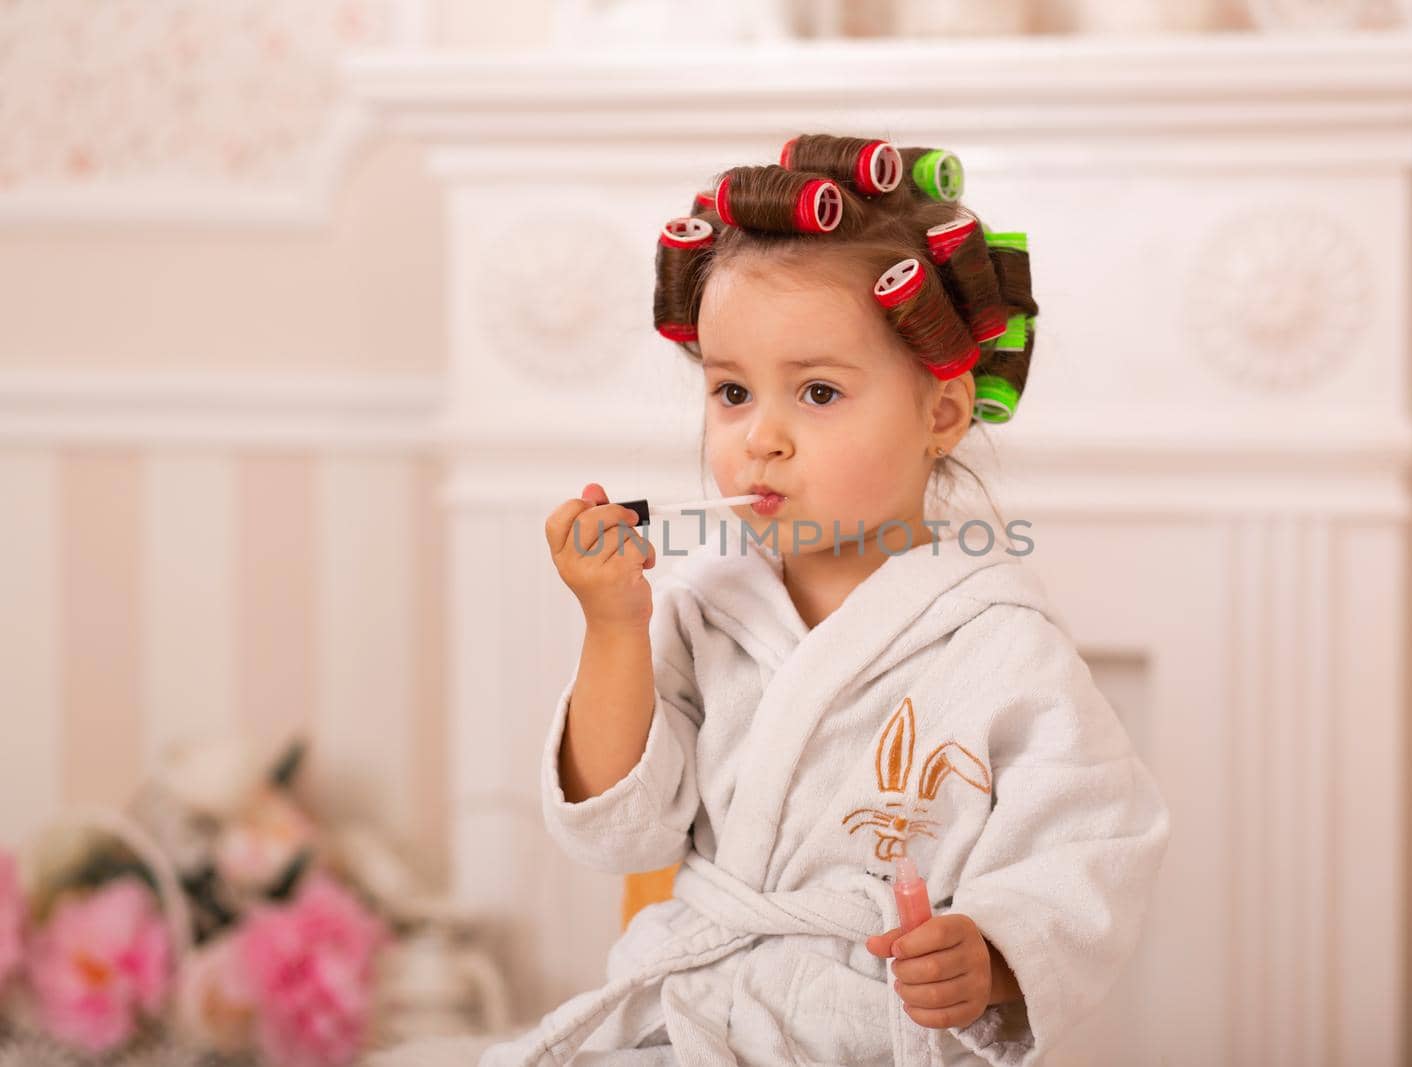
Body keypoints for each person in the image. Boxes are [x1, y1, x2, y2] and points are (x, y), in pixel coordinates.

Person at [371, 134, 1169, 1067]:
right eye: (733, 392)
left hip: (870, 1032)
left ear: (941, 415)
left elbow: (1096, 839)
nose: (762, 439)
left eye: (819, 392)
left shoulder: (1002, 648)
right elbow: (621, 827)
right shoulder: (703, 605)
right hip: (689, 1011)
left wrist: (992, 955)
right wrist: (614, 624)